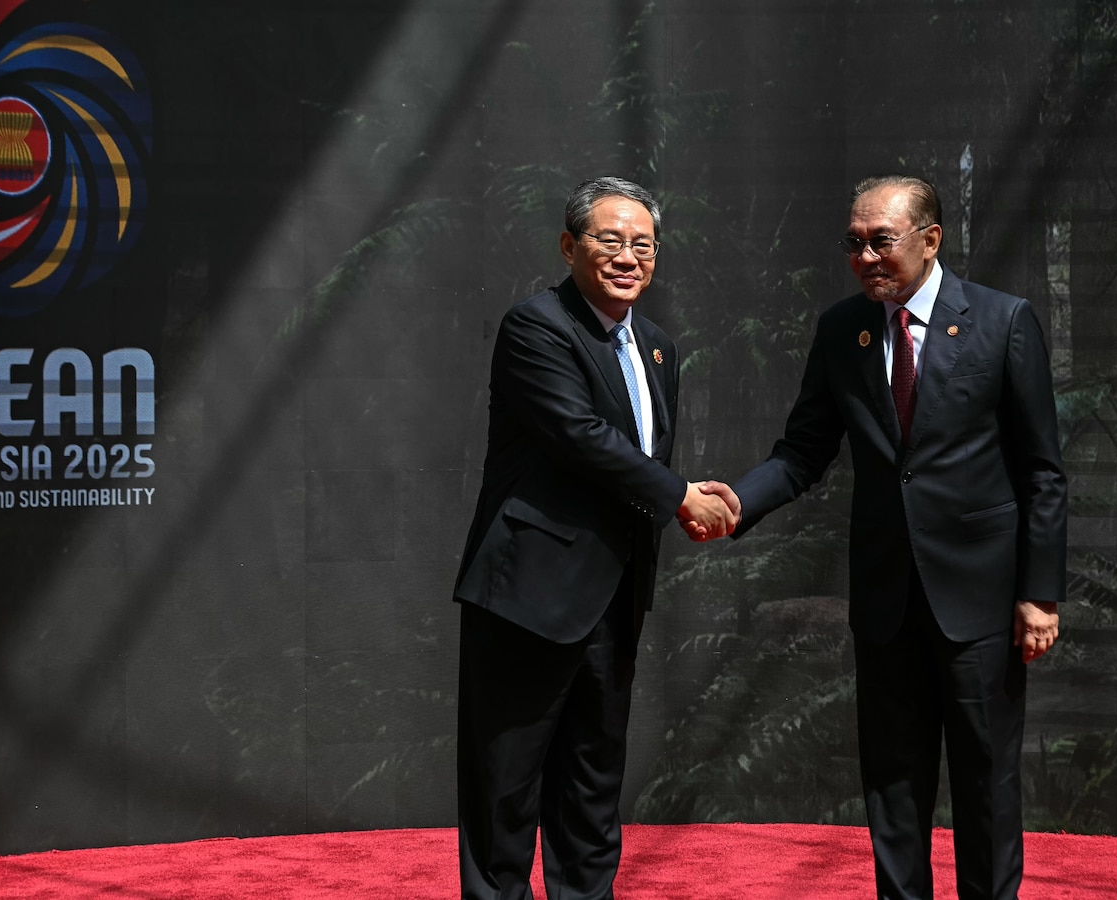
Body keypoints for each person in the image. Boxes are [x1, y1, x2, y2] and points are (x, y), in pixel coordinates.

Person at [705, 174, 1067, 899]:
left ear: (931, 240)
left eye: (881, 241)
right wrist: (737, 502)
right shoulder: (844, 329)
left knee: (986, 782)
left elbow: (1042, 472)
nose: (865, 257)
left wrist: (1040, 595)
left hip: (980, 602)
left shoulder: (1002, 321)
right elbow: (802, 452)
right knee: (892, 786)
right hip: (886, 602)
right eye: (854, 243)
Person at [453, 176, 737, 900]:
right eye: (610, 240)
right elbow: (581, 437)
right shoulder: (537, 327)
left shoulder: (659, 349)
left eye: (644, 244)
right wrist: (680, 496)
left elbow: (640, 460)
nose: (628, 256)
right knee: (504, 789)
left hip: (614, 594)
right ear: (569, 245)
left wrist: (678, 498)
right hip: (529, 595)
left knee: (592, 784)